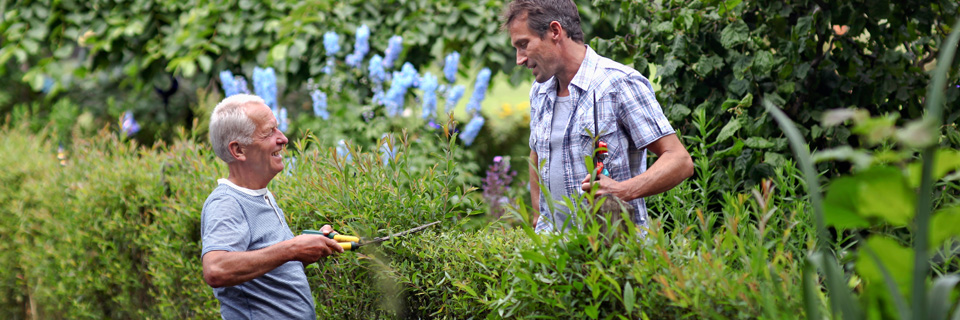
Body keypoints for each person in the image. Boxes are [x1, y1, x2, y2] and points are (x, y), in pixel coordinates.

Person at [502, 0, 694, 233]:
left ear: (555, 31)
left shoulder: (619, 83)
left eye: (524, 44)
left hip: (614, 253)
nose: (519, 59)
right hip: (554, 255)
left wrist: (624, 190)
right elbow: (537, 155)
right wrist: (539, 218)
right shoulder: (540, 92)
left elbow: (679, 161)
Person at [200, 94, 344, 319]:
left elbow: (268, 266)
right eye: (269, 132)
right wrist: (292, 249)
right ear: (238, 150)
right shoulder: (227, 203)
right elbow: (216, 269)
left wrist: (310, 246)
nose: (284, 139)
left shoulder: (260, 196)